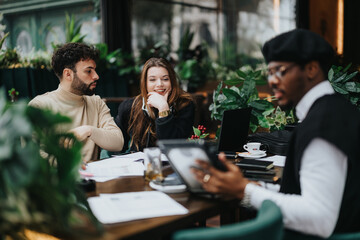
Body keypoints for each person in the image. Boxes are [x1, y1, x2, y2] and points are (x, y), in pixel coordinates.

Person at [191, 29, 360, 238]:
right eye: (269, 73)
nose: (272, 81)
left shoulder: (323, 126)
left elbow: (319, 218)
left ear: (311, 69)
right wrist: (253, 187)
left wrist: (244, 191)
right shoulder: (335, 111)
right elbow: (306, 195)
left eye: (280, 70)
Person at [29, 42, 124, 163]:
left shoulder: (96, 102)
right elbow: (33, 158)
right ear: (68, 74)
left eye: (94, 70)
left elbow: (118, 143)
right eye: (89, 71)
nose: (96, 76)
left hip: (92, 179)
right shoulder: (40, 106)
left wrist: (88, 130)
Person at [115, 57, 194, 152]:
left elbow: (171, 147)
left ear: (172, 81)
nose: (159, 84)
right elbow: (117, 144)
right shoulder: (129, 107)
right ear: (145, 83)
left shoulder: (184, 105)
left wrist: (163, 108)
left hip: (170, 165)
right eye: (152, 80)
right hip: (138, 165)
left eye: (165, 79)